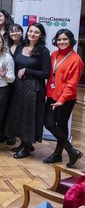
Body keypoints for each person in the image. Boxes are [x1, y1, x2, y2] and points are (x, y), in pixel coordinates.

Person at [6, 23, 50, 159]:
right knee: (18, 114)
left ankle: (26, 145)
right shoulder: (21, 46)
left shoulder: (43, 51)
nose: (32, 34)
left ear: (41, 35)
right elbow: (14, 64)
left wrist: (27, 71)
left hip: (33, 88)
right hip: (19, 87)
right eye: (31, 31)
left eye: (36, 32)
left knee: (29, 116)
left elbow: (46, 73)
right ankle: (23, 142)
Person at [43, 29, 83, 167]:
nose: (62, 42)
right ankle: (70, 151)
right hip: (52, 95)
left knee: (60, 124)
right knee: (49, 123)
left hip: (65, 99)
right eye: (59, 39)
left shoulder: (76, 59)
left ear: (71, 40)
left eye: (65, 39)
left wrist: (61, 100)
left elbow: (72, 84)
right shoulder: (54, 54)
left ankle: (58, 153)